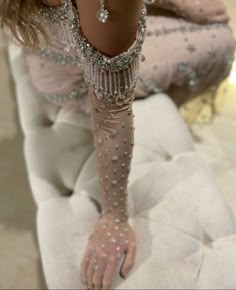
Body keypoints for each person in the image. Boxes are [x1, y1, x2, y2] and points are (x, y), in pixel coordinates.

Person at [0, 1, 234, 289]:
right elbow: (111, 115)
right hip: (72, 77)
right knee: (220, 39)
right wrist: (114, 218)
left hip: (42, 41)